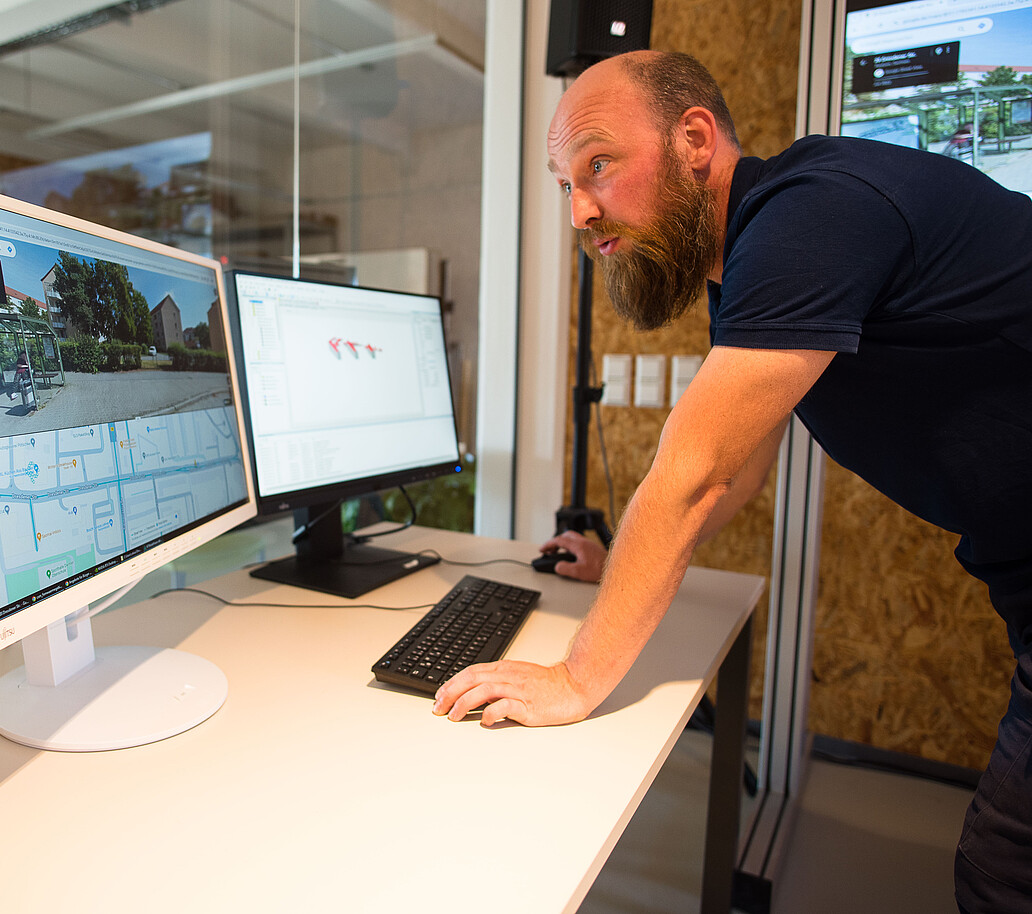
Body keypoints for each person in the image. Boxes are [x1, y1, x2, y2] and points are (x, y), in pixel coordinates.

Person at [430, 50, 1032, 913]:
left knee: (1004, 876)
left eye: (598, 163)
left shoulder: (812, 213)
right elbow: (744, 469)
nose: (581, 211)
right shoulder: (756, 255)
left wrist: (575, 677)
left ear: (696, 139)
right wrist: (621, 566)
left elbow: (699, 474)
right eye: (566, 184)